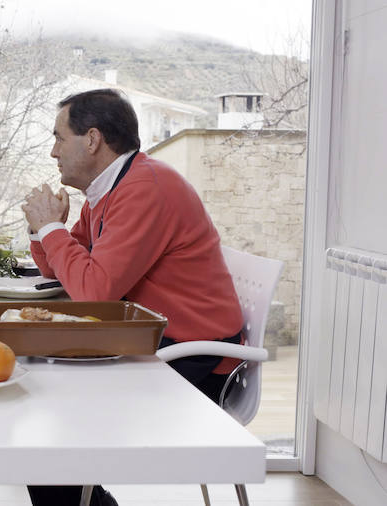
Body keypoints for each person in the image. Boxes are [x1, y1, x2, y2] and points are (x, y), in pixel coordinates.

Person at [21, 89, 244, 506]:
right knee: (40, 399)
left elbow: (93, 293)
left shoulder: (145, 188)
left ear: (92, 140)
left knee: (46, 420)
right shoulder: (109, 188)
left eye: (58, 138)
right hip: (150, 341)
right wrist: (42, 230)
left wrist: (52, 228)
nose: (53, 152)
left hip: (195, 360)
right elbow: (67, 271)